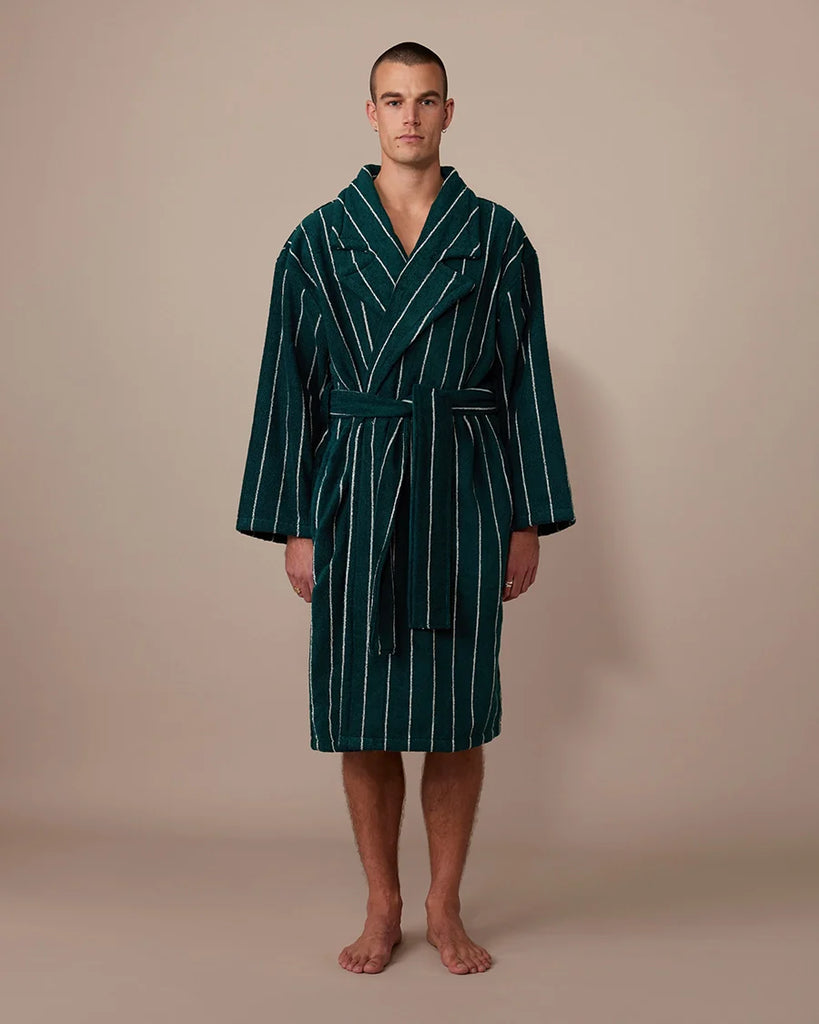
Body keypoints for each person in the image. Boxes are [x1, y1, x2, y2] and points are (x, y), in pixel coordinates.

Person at [236, 41, 576, 975]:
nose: (410, 116)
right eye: (393, 100)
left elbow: (524, 382)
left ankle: (443, 902)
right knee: (363, 709)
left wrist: (525, 516)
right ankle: (383, 902)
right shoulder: (317, 240)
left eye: (426, 100)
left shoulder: (495, 236)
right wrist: (297, 523)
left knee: (455, 710)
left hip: (463, 491)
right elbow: (288, 385)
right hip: (354, 491)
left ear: (449, 112)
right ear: (370, 113)